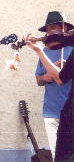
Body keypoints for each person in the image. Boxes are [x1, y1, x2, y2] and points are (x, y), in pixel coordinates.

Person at [24, 26, 73, 162]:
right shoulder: (48, 50)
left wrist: (39, 52)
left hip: (69, 113)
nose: (53, 34)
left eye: (57, 29)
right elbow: (57, 78)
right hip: (56, 111)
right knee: (60, 155)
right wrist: (40, 52)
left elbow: (61, 79)